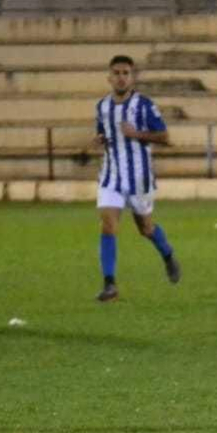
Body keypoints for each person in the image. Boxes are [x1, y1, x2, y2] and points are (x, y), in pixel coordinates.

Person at [92, 55, 178, 301]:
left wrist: (136, 133)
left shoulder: (144, 105)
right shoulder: (102, 107)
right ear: (109, 77)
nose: (121, 77)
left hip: (139, 178)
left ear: (132, 77)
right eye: (116, 73)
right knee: (108, 224)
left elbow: (165, 137)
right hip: (111, 176)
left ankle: (168, 254)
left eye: (125, 73)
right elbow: (102, 132)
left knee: (146, 228)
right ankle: (110, 284)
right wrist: (99, 139)